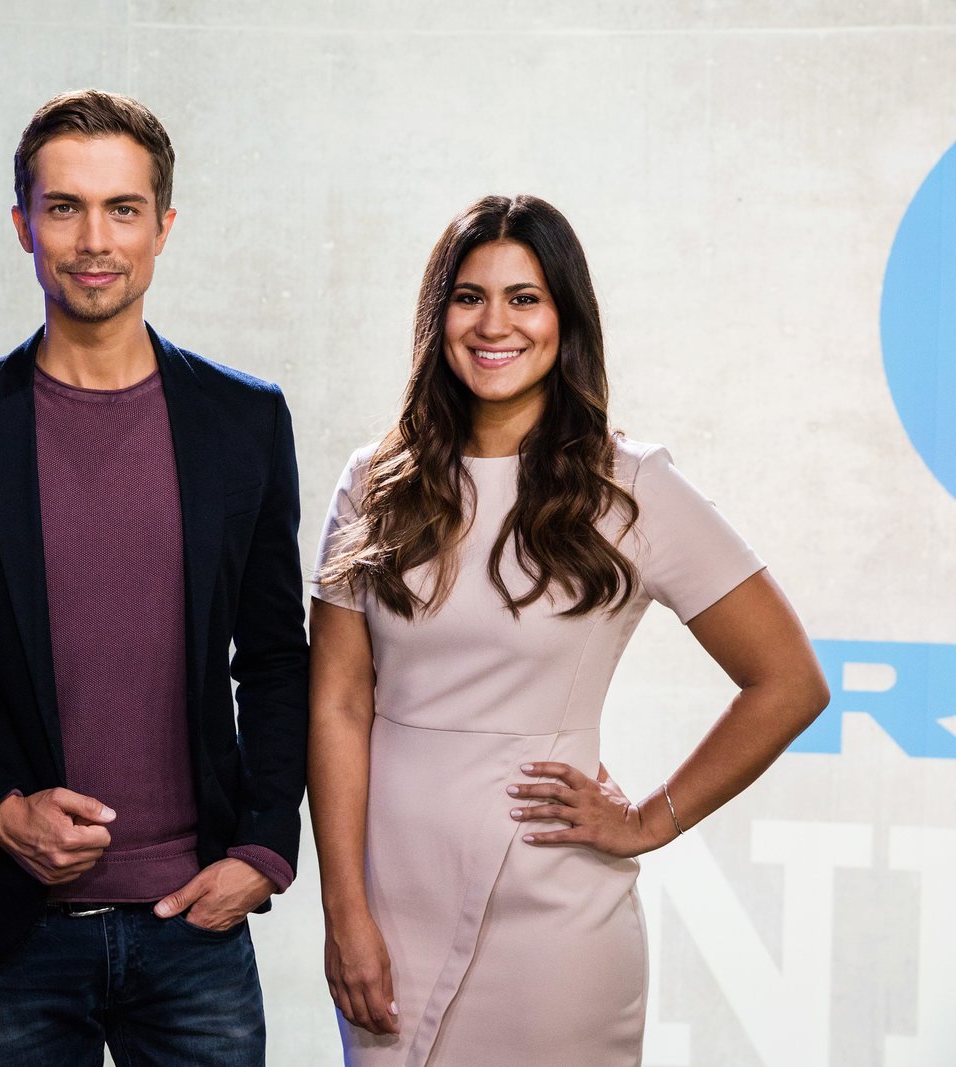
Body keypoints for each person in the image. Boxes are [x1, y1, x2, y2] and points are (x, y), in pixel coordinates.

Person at [308, 194, 829, 1065]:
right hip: (391, 908)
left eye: (526, 297)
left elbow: (789, 681)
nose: (494, 324)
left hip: (554, 918)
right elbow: (336, 707)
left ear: (566, 318)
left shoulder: (630, 485)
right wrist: (343, 910)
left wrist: (652, 819)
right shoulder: (375, 481)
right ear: (438, 318)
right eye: (469, 297)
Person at [0, 89, 309, 1066]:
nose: (95, 240)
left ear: (162, 226)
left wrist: (264, 848)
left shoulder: (244, 421)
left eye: (122, 209)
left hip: (195, 923)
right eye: (65, 208)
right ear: (23, 225)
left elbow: (273, 657)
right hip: (13, 929)